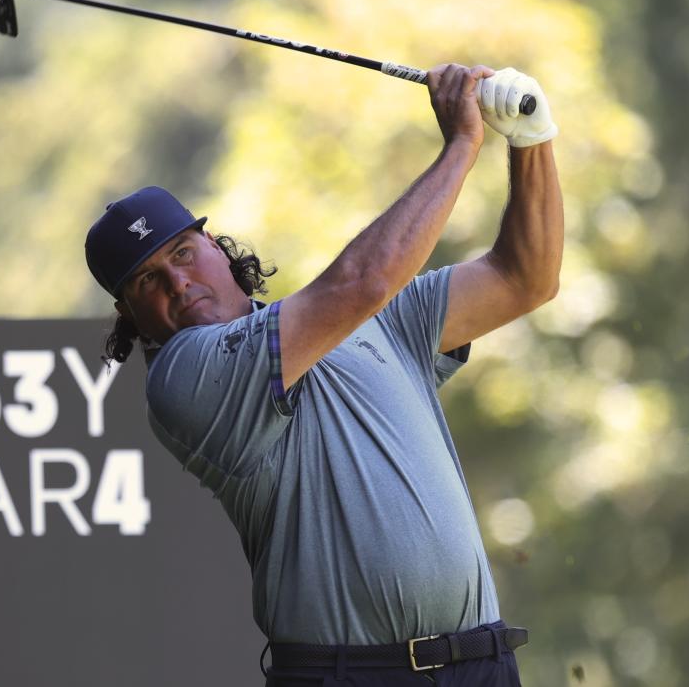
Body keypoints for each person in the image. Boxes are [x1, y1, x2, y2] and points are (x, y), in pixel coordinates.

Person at [85, 63, 562, 686]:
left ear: (216, 245)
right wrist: (463, 145)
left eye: (182, 253)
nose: (179, 282)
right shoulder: (184, 378)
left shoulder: (372, 318)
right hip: (350, 677)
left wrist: (531, 137)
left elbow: (525, 279)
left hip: (482, 665)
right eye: (149, 279)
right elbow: (362, 281)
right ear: (130, 314)